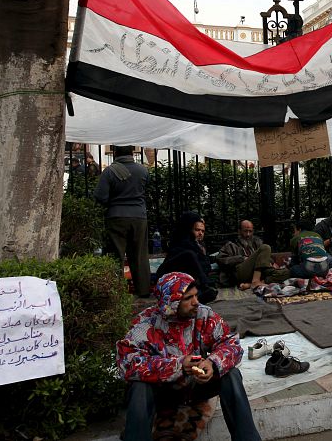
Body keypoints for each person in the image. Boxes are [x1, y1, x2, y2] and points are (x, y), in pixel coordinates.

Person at [117, 272, 261, 441]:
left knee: (231, 375)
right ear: (171, 302)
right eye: (187, 299)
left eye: (195, 296)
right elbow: (127, 363)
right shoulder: (146, 324)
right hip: (163, 392)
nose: (196, 302)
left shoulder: (204, 315)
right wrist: (178, 366)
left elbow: (231, 344)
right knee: (139, 387)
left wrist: (212, 363)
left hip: (196, 388)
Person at [94, 145, 151, 297]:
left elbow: (100, 196)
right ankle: (144, 290)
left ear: (115, 153)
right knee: (139, 255)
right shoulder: (143, 170)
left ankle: (116, 292)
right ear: (132, 152)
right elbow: (147, 191)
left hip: (116, 217)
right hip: (139, 216)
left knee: (115, 255)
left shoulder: (109, 171)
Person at [157, 212, 218, 304]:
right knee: (189, 255)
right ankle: (205, 287)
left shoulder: (198, 245)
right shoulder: (181, 242)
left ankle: (197, 294)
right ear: (189, 229)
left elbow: (205, 265)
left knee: (210, 294)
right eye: (197, 230)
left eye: (202, 231)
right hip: (168, 277)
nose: (200, 233)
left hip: (184, 280)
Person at [216, 220, 284, 290]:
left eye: (250, 231)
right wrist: (242, 258)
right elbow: (220, 259)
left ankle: (251, 284)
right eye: (245, 231)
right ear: (239, 231)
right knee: (266, 247)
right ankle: (255, 281)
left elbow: (266, 256)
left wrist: (271, 262)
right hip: (240, 273)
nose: (248, 234)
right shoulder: (231, 245)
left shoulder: (257, 242)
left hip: (257, 272)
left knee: (286, 273)